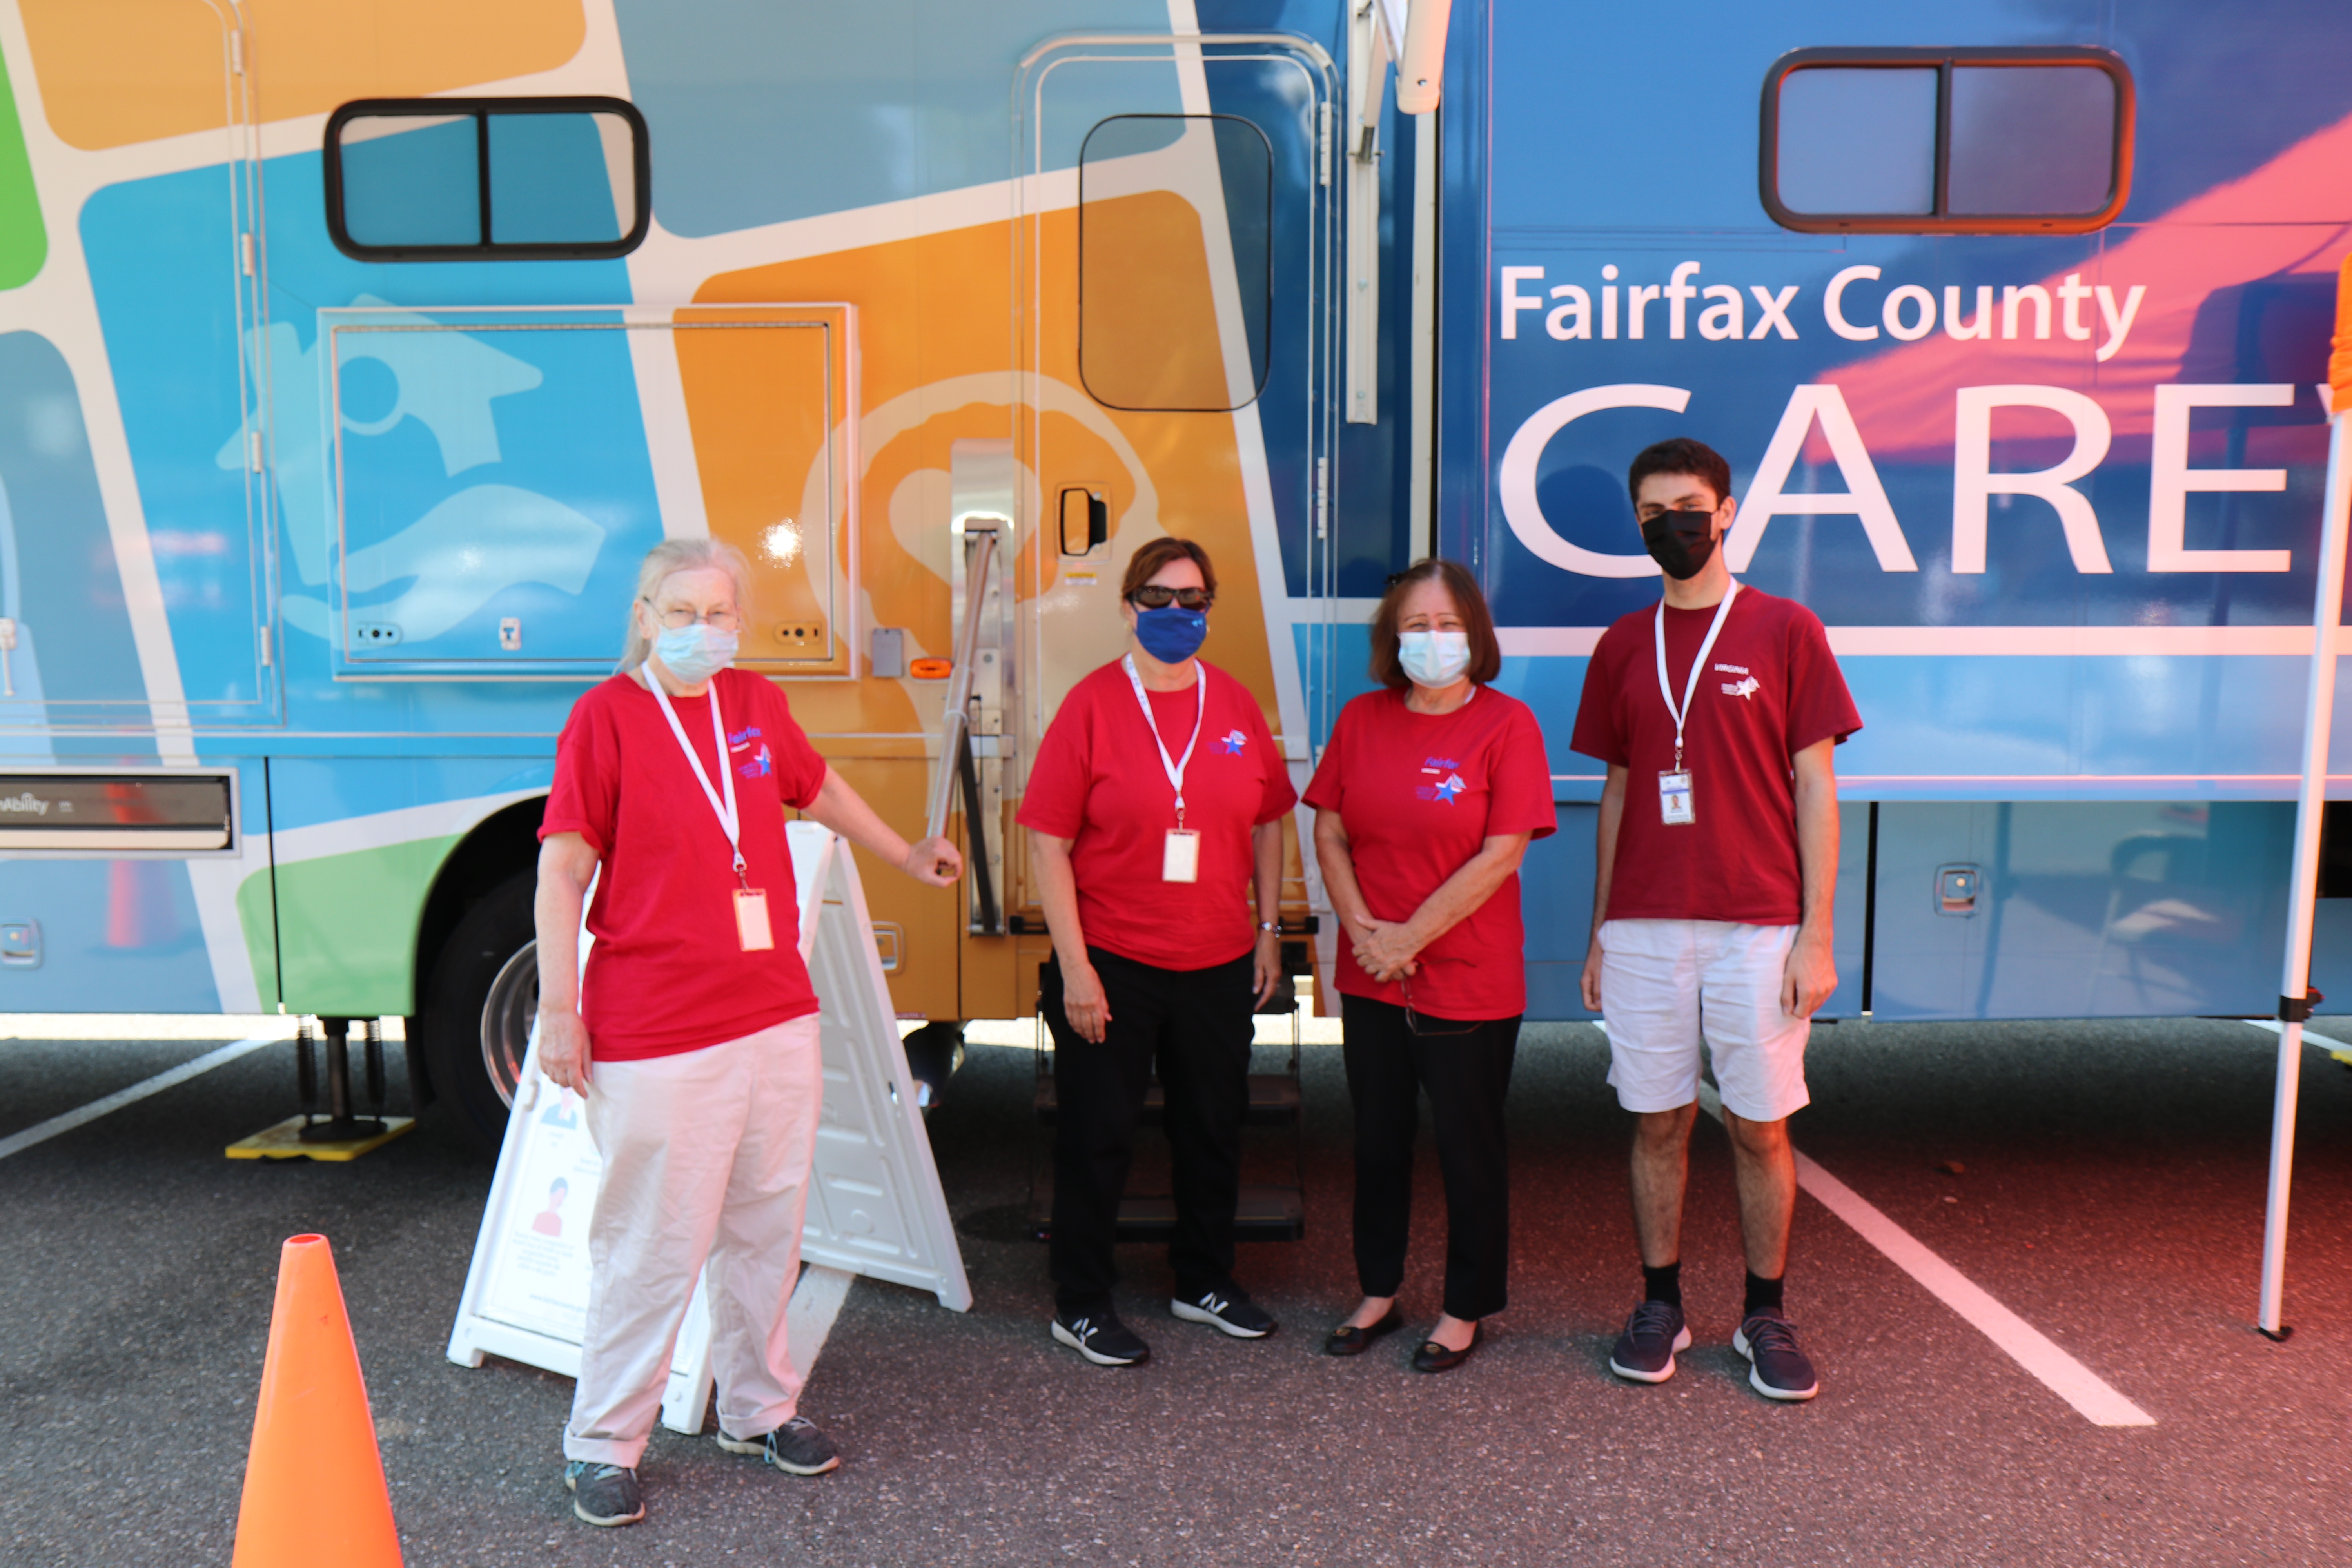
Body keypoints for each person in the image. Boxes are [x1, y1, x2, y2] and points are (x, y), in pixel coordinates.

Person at [535, 537, 962, 1526]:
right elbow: (563, 871)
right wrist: (562, 1007)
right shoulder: (606, 716)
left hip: (772, 1010)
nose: (701, 630)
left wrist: (905, 850)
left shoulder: (758, 705)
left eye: (718, 612)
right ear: (644, 615)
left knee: (769, 1223)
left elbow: (818, 788)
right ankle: (603, 1440)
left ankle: (758, 1407)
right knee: (652, 1241)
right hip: (655, 1026)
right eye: (679, 612)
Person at [1570, 437, 1860, 1402]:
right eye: (1653, 514)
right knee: (1657, 1120)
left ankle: (1764, 1312)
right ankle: (1662, 1302)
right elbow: (1615, 793)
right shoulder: (1621, 642)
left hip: (1758, 923)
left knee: (1759, 1124)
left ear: (1727, 511)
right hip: (1647, 925)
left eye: (1689, 507)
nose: (1673, 527)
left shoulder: (1786, 628)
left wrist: (1816, 933)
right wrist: (1600, 930)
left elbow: (1817, 786)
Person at [1019, 535, 1297, 1367]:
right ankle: (1082, 1301)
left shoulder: (1237, 704)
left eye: (1193, 599)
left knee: (1212, 1128)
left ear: (1209, 606)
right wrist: (1076, 967)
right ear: (1129, 604)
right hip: (1115, 962)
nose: (1177, 614)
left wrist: (1269, 928)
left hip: (1215, 960)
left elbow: (1271, 817)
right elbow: (1046, 840)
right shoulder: (1094, 704)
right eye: (1160, 597)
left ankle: (1203, 1280)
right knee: (1098, 1135)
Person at [1305, 559, 1555, 1373]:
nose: (1433, 639)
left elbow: (1502, 851)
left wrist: (1408, 937)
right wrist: (1363, 931)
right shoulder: (1362, 718)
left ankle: (1464, 1305)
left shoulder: (1507, 724)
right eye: (1416, 625)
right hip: (1370, 971)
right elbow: (1331, 832)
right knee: (1377, 1143)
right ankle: (1378, 1290)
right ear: (1392, 637)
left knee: (1468, 1150)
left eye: (1448, 625)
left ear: (1475, 635)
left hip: (1467, 978)